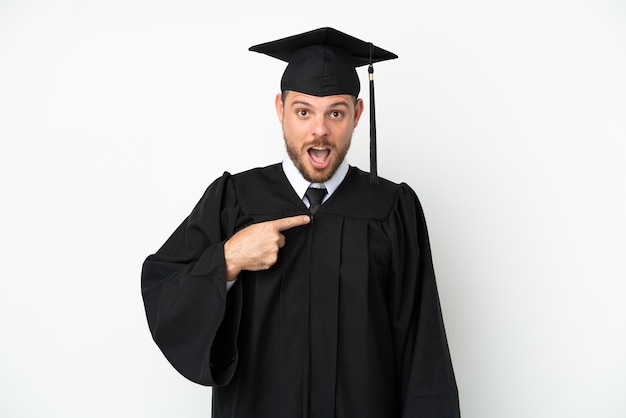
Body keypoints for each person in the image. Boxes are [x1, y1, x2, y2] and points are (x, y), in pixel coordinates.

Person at [141, 27, 460, 418]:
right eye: (304, 111)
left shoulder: (392, 210)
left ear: (358, 114)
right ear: (281, 109)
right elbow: (164, 294)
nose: (320, 130)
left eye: (336, 113)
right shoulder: (234, 201)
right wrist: (227, 258)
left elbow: (423, 353)